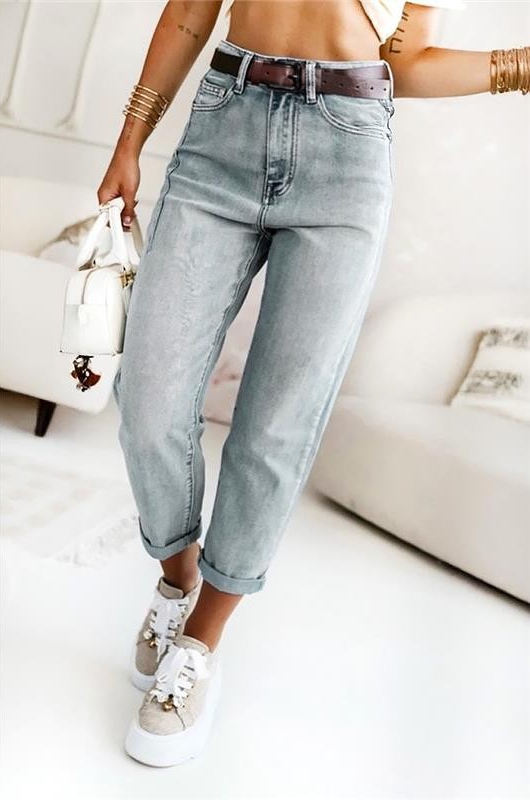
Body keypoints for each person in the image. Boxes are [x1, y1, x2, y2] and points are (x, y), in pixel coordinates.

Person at [97, 0, 528, 768]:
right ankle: (177, 578)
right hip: (224, 124)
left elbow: (404, 61)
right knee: (148, 400)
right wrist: (130, 139)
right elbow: (191, 12)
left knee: (276, 424)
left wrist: (519, 67)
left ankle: (201, 642)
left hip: (346, 150)